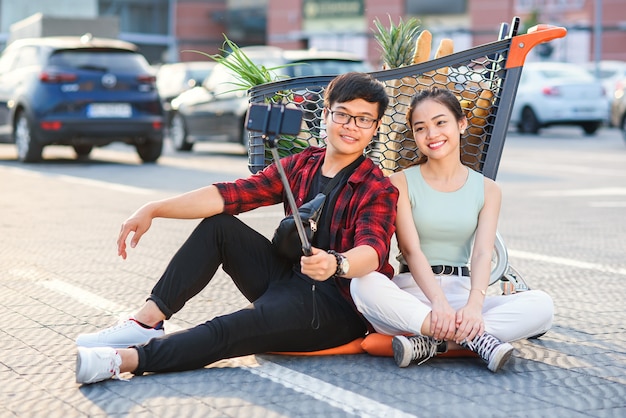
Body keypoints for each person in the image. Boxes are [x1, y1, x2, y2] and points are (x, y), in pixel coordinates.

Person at [74, 72, 399, 384]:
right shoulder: (303, 163)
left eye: (363, 119)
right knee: (220, 226)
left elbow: (373, 251)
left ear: (376, 127)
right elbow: (231, 195)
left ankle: (124, 360)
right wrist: (154, 209)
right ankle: (146, 321)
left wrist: (336, 263)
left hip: (331, 307)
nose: (351, 126)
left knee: (231, 327)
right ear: (326, 114)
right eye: (343, 115)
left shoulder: (376, 187)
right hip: (285, 278)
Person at [350, 87, 554, 373]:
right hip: (414, 298)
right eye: (421, 128)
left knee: (542, 305)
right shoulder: (400, 182)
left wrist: (473, 305)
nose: (432, 134)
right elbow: (411, 249)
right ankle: (476, 339)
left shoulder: (488, 189)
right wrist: (437, 303)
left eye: (440, 122)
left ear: (461, 124)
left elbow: (483, 253)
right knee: (363, 284)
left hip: (463, 292)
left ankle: (435, 344)